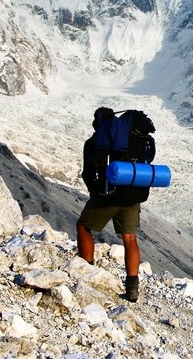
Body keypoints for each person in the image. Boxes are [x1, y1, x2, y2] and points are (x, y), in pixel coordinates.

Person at [76, 106, 151, 302]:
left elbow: (88, 172)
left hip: (108, 194)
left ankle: (86, 274)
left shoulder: (95, 142)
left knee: (83, 227)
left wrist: (95, 192)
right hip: (133, 190)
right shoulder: (134, 139)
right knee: (129, 238)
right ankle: (132, 289)